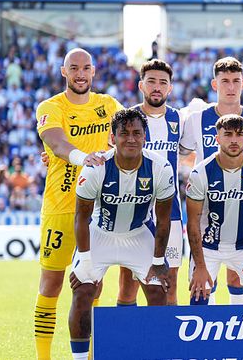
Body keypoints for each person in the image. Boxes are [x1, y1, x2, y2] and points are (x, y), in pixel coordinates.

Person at [33, 48, 123, 359]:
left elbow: (133, 132)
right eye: (74, 68)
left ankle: (91, 355)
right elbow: (57, 144)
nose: (80, 73)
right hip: (61, 206)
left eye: (86, 67)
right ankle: (43, 357)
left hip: (99, 209)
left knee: (92, 287)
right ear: (63, 71)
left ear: (94, 71)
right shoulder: (50, 106)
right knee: (52, 284)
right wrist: (85, 159)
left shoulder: (108, 105)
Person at [68, 108, 175, 359]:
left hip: (138, 234)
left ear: (145, 137)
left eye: (137, 133)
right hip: (100, 234)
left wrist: (158, 262)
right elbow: (81, 217)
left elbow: (163, 219)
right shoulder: (96, 168)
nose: (131, 139)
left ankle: (154, 354)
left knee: (160, 291)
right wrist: (84, 259)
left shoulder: (160, 167)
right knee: (82, 291)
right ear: (112, 137)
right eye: (123, 133)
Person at [180, 56, 243, 304]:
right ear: (214, 84)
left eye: (235, 81)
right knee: (205, 282)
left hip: (242, 213)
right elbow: (183, 156)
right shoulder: (196, 120)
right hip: (207, 210)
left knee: (239, 279)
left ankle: (239, 337)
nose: (230, 87)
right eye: (224, 81)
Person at [186, 114, 243, 305]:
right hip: (207, 247)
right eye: (227, 135)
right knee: (198, 301)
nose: (234, 140)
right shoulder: (200, 173)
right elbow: (192, 224)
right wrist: (200, 267)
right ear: (217, 138)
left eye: (239, 134)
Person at [118, 59, 186, 306]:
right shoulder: (127, 120)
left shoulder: (180, 120)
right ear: (141, 85)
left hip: (172, 214)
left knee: (170, 282)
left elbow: (192, 151)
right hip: (134, 213)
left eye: (163, 83)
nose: (157, 87)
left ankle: (167, 344)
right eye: (151, 82)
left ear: (170, 88)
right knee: (129, 283)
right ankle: (130, 342)